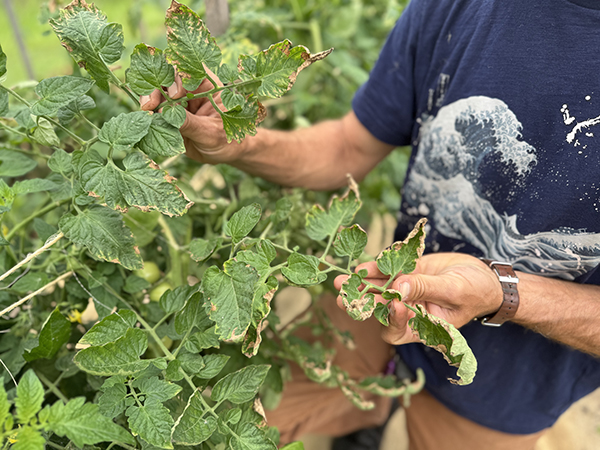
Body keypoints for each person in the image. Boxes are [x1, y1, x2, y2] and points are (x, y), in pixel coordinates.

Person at [141, 0, 600, 448]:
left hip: (510, 382)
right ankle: (372, 412)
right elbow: (350, 146)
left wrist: (503, 293)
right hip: (385, 296)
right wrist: (241, 144)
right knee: (230, 426)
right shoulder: (457, 8)